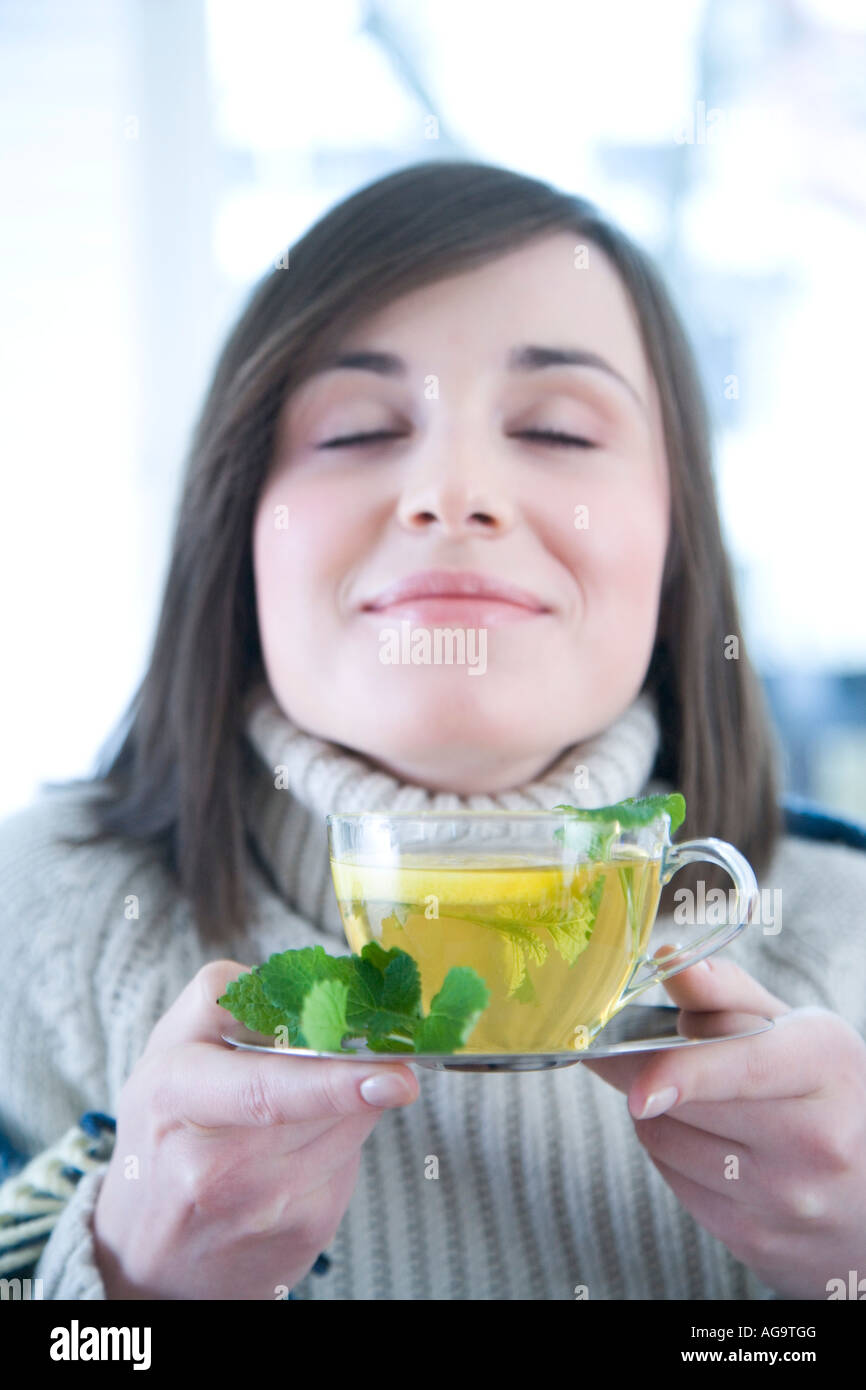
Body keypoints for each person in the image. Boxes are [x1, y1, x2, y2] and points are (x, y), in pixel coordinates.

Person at [1, 160, 865, 1302]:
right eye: (357, 429)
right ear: (237, 523)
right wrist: (120, 1282)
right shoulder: (37, 924)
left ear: (674, 539)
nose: (452, 490)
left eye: (555, 431)